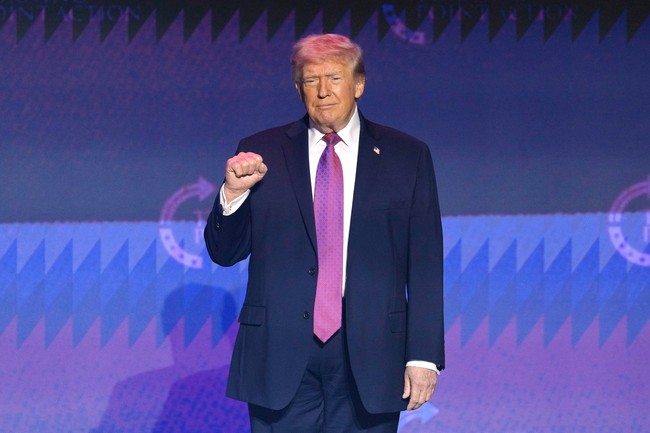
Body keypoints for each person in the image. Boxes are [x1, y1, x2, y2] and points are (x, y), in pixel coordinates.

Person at [204, 33, 445, 433]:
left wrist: (422, 355)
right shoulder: (261, 151)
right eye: (311, 80)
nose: (322, 91)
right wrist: (232, 194)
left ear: (358, 85)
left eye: (334, 78)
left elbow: (425, 262)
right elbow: (225, 252)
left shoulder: (407, 156)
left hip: (371, 349)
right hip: (279, 350)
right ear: (298, 89)